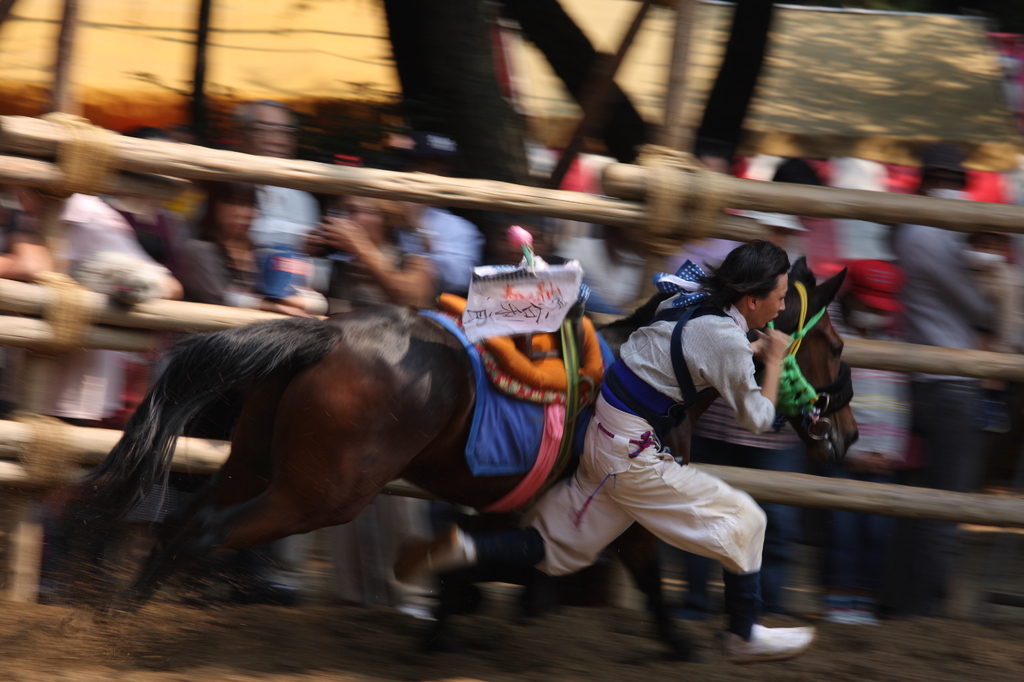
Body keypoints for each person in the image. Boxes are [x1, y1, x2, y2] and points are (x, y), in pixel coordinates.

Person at [396, 240, 817, 664]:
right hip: (633, 455)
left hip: (601, 434)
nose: (781, 309)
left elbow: (702, 346)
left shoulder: (691, 298)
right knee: (747, 518)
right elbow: (758, 418)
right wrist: (776, 360)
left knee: (558, 548)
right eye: (780, 298)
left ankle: (464, 547)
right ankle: (743, 633)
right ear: (751, 299)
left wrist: (749, 348)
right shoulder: (726, 339)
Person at [889, 142, 994, 617]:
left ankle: (904, 601)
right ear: (957, 178)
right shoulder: (954, 229)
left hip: (917, 379)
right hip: (955, 379)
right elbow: (982, 307)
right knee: (948, 503)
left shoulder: (911, 227)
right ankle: (928, 612)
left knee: (917, 497)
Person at [820, 259, 911, 625]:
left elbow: (899, 403)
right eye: (870, 305)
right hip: (844, 453)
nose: (876, 313)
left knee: (878, 533)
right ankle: (838, 599)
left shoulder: (895, 338)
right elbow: (823, 399)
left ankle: (865, 602)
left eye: (882, 307)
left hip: (883, 455)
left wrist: (889, 453)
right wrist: (850, 450)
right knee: (841, 531)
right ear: (851, 296)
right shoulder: (828, 333)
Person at [182, 181, 325, 316]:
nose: (242, 212)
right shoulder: (197, 250)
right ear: (214, 205)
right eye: (232, 202)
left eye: (250, 204)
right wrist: (273, 306)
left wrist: (291, 299)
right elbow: (222, 297)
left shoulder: (264, 252)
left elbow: (306, 296)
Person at [234, 100, 327, 291]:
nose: (277, 140)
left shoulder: (304, 201)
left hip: (291, 299)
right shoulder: (226, 193)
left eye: (286, 132)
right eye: (264, 130)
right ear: (241, 134)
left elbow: (318, 276)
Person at [308, 195, 438, 311]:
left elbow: (412, 300)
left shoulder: (412, 261)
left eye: (353, 211)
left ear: (385, 218)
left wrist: (363, 250)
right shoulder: (342, 262)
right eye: (341, 211)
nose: (344, 219)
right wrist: (307, 257)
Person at [399, 132, 485, 295]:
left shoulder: (462, 228)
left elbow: (460, 279)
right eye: (425, 164)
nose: (437, 174)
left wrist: (417, 226)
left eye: (443, 167)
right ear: (409, 167)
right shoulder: (379, 206)